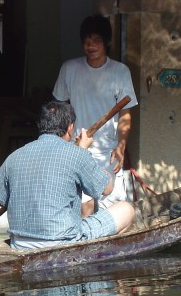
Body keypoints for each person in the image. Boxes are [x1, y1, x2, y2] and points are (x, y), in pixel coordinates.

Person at [0, 100, 135, 250]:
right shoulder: (77, 154)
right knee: (126, 209)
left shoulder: (14, 156)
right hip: (63, 241)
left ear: (41, 125)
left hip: (20, 243)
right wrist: (87, 154)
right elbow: (107, 188)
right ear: (70, 128)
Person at [53, 15, 138, 215]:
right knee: (83, 206)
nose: (90, 45)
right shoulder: (70, 69)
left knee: (112, 203)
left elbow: (125, 113)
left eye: (96, 40)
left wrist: (121, 146)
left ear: (107, 42)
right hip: (77, 148)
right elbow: (60, 109)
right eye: (86, 41)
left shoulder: (120, 72)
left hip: (108, 151)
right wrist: (62, 143)